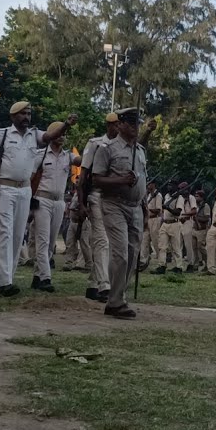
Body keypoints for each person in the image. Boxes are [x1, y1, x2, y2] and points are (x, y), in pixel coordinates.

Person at [0, 102, 71, 296]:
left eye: (29, 113)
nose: (26, 117)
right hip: (5, 188)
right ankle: (3, 281)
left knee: (17, 235)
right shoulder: (2, 134)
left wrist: (66, 125)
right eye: (22, 114)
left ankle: (8, 278)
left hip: (25, 190)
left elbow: (49, 137)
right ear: (13, 116)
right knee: (4, 233)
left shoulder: (34, 134)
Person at [91, 107, 147, 319]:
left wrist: (145, 205)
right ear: (121, 124)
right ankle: (115, 302)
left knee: (133, 255)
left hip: (135, 206)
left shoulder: (140, 151)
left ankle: (119, 297)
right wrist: (120, 180)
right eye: (132, 124)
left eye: (138, 124)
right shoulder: (107, 148)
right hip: (113, 203)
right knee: (120, 253)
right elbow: (96, 179)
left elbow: (143, 179)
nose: (136, 128)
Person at [31, 118, 80, 291]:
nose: (62, 137)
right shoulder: (41, 155)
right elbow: (31, 178)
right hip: (42, 199)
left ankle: (37, 276)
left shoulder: (68, 156)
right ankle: (45, 278)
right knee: (43, 240)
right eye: (59, 134)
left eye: (64, 135)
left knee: (51, 241)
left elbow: (81, 161)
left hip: (59, 201)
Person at [77, 114, 119, 301]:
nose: (117, 128)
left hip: (115, 199)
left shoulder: (122, 146)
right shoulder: (95, 144)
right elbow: (83, 176)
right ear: (108, 125)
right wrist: (80, 203)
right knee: (102, 240)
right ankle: (104, 285)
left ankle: (93, 283)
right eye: (114, 125)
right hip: (97, 195)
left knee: (108, 241)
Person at [155, 181, 191, 274]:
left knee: (176, 247)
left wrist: (168, 208)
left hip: (174, 223)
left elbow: (178, 212)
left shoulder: (179, 198)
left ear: (176, 187)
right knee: (162, 246)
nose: (169, 187)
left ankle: (178, 266)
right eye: (168, 185)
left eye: (171, 185)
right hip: (165, 223)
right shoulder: (167, 196)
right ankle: (161, 265)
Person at [140, 180, 162, 269]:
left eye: (150, 184)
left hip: (154, 219)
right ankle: (143, 261)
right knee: (144, 241)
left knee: (156, 241)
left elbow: (158, 210)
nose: (148, 185)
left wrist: (147, 209)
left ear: (153, 185)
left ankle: (161, 262)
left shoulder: (158, 196)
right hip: (147, 220)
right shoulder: (149, 195)